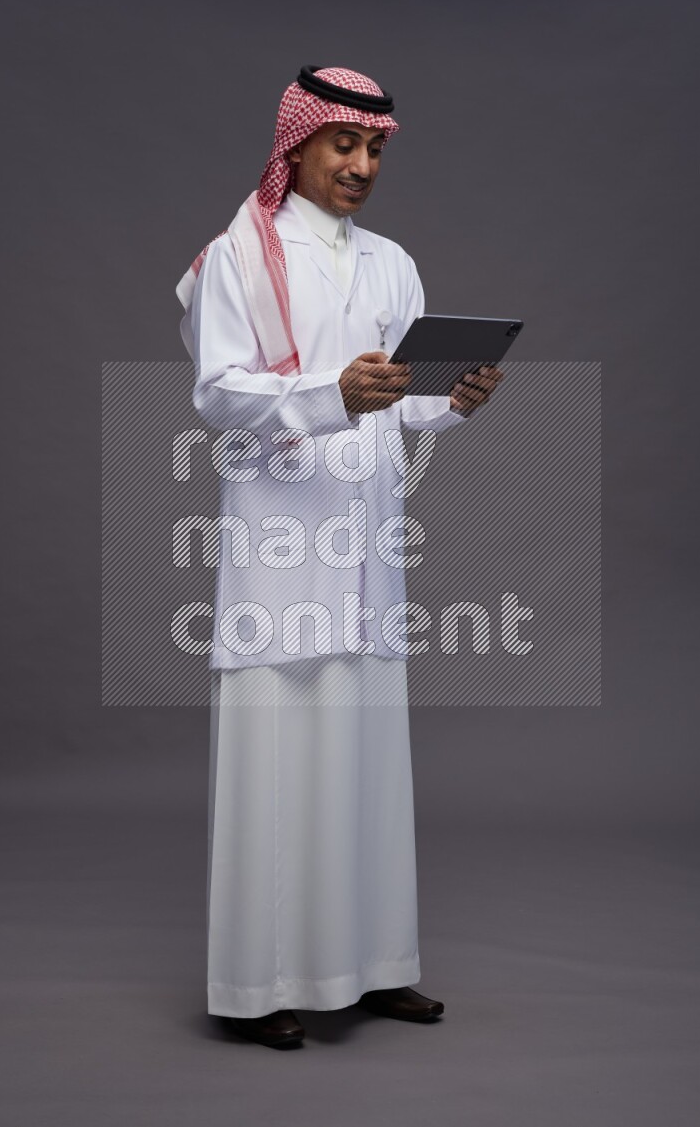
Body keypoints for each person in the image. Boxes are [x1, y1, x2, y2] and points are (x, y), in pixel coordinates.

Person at [176, 64, 502, 1049]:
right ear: (297, 146)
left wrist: (449, 402)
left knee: (363, 764)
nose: (359, 165)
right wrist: (332, 396)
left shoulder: (390, 264)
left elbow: (398, 398)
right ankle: (257, 987)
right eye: (342, 145)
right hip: (280, 552)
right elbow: (219, 395)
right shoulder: (236, 260)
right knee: (277, 765)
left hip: (364, 551)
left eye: (373, 149)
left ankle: (371, 968)